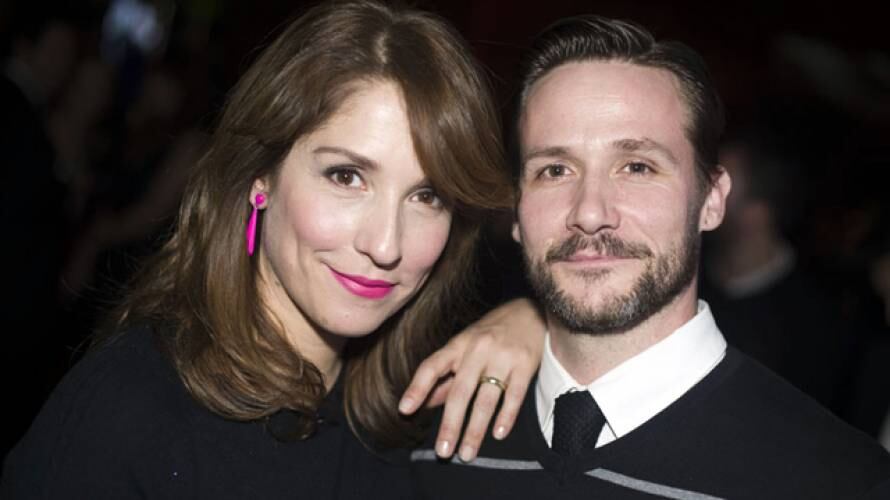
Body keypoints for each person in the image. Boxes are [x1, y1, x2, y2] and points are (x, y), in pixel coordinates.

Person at [1, 2, 545, 498]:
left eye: (427, 196)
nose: (385, 245)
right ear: (260, 176)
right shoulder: (128, 413)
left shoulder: (413, 422)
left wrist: (541, 323)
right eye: (346, 176)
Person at [412, 15, 890, 499]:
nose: (590, 213)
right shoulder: (426, 449)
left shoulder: (841, 481)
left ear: (711, 200)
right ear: (516, 209)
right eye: (555, 170)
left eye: (637, 167)